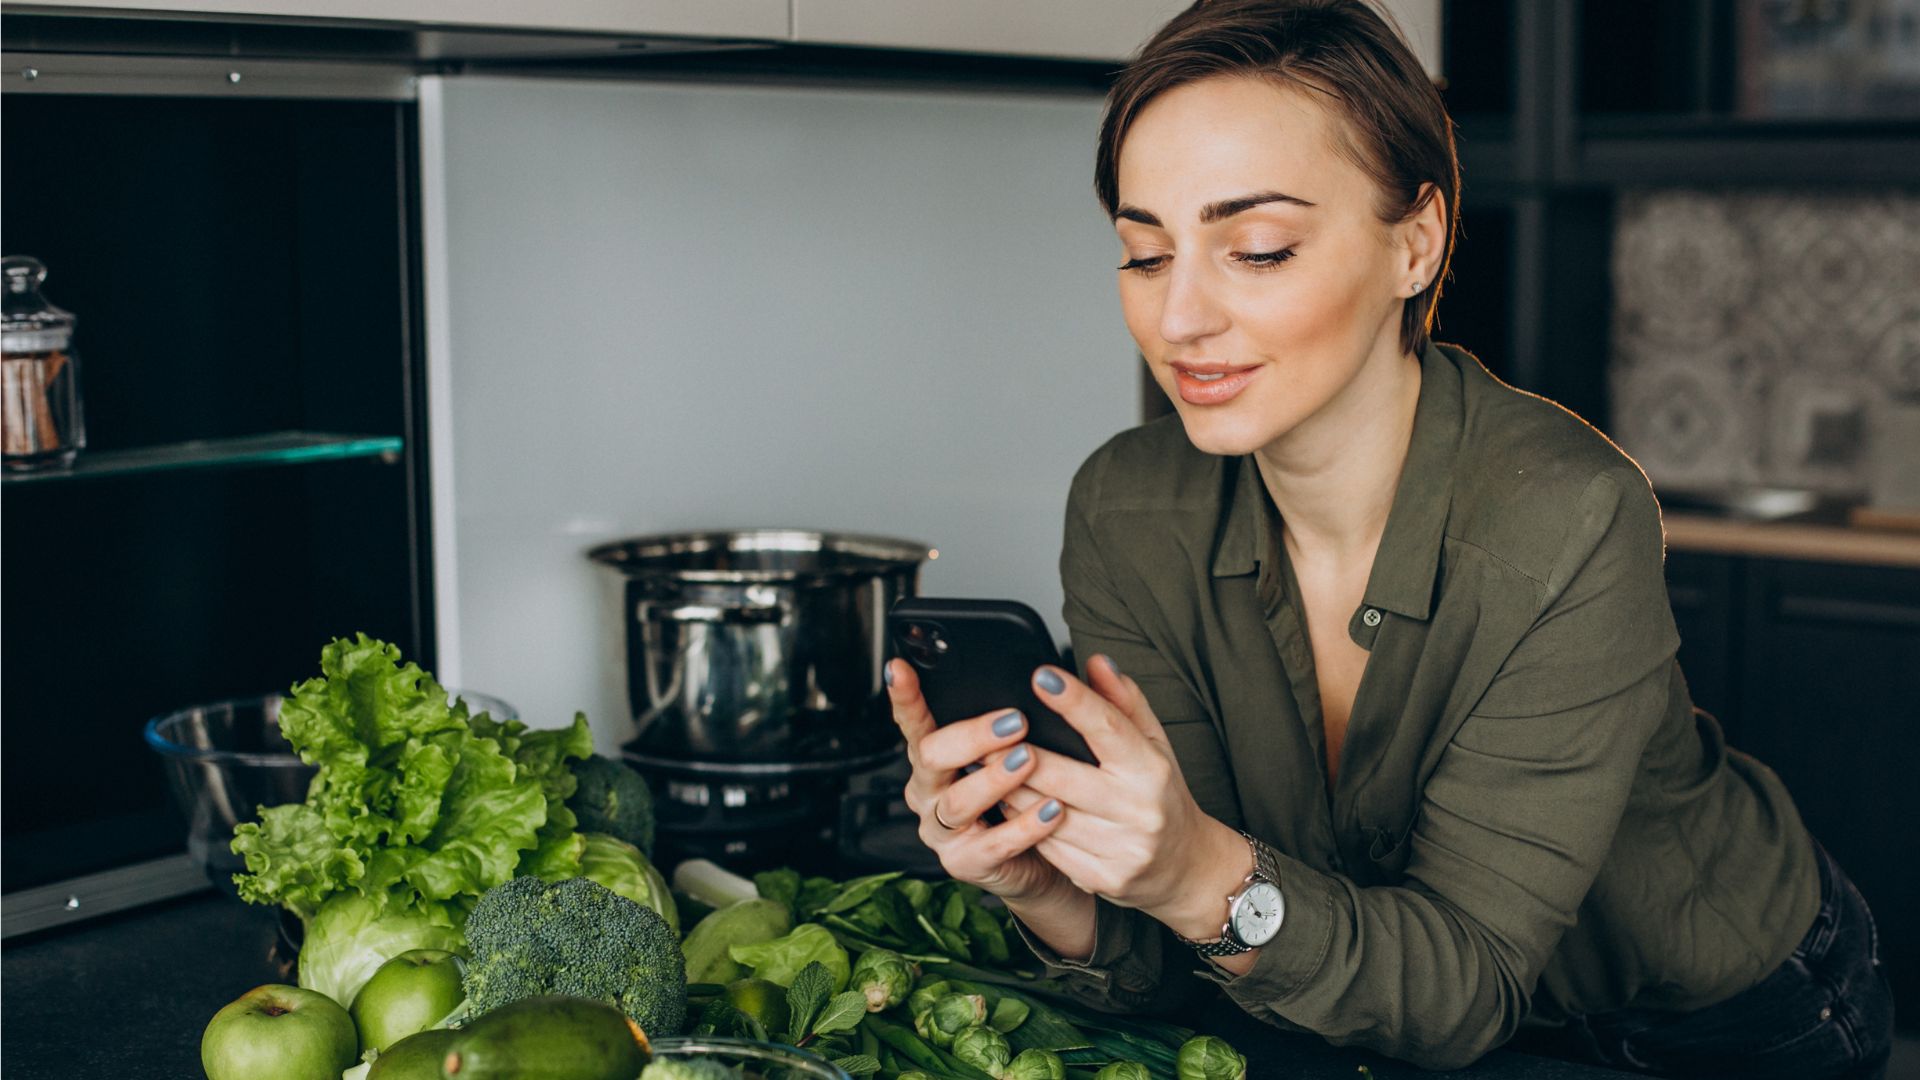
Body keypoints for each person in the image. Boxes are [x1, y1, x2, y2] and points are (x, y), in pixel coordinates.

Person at [881, 1, 1895, 1076]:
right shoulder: (1127, 510)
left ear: (1417, 243)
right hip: (1388, 1017)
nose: (1178, 319)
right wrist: (1047, 886)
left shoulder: (1567, 514)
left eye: (1258, 250)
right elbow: (1192, 942)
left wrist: (1195, 874)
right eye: (1145, 254)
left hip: (1715, 1019)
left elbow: (1458, 984)